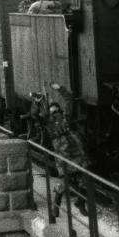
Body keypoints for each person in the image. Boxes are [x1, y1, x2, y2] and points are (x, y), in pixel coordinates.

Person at [31, 82, 89, 216]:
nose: (55, 113)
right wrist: (37, 102)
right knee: (63, 182)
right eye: (53, 112)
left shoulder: (66, 118)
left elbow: (69, 101)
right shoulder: (49, 123)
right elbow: (36, 115)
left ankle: (81, 203)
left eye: (57, 111)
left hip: (76, 152)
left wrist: (60, 89)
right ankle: (55, 206)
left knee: (84, 179)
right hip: (63, 155)